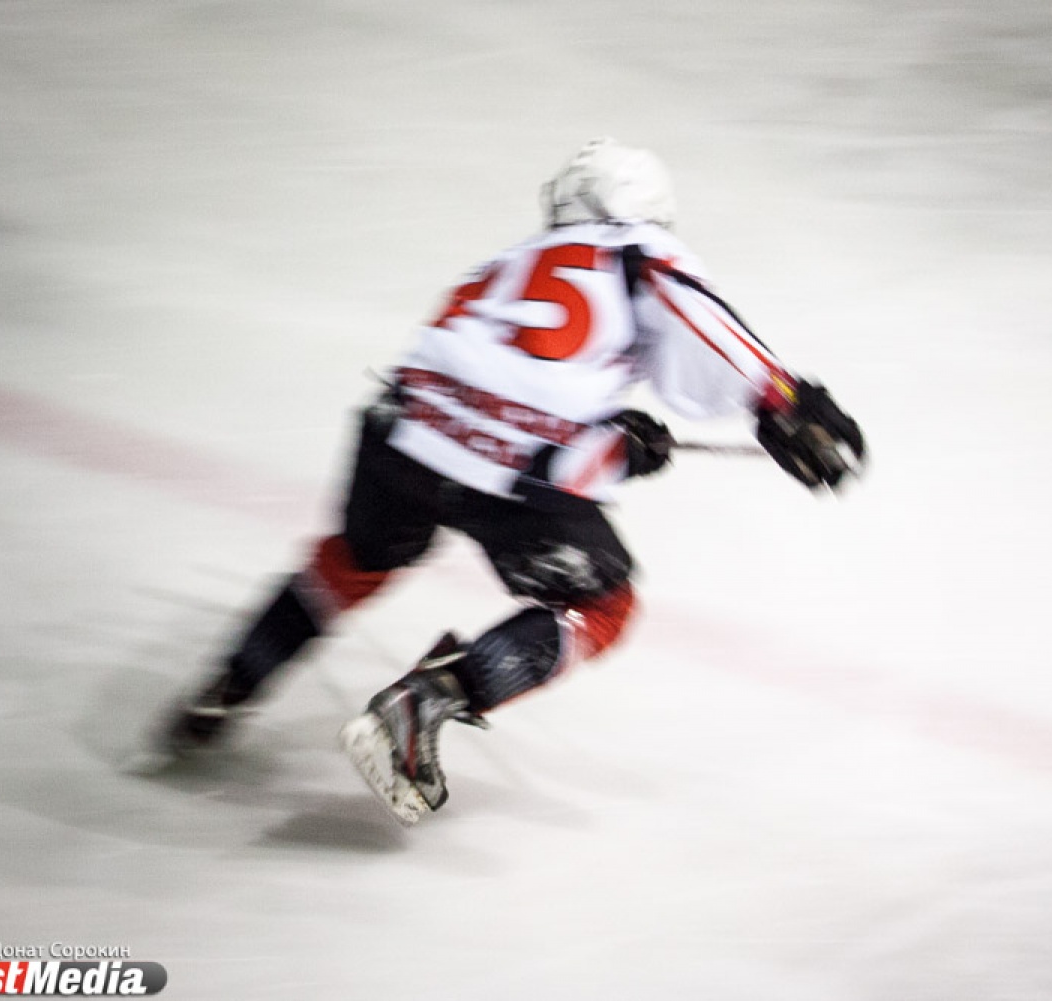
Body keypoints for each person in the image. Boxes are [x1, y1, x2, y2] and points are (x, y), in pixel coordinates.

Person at [163, 138, 867, 825]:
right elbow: (691, 320)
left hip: (399, 430)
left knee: (357, 558)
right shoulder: (636, 248)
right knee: (602, 607)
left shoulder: (511, 261)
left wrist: (614, 445)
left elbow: (488, 382)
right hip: (510, 469)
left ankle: (233, 678)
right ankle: (429, 699)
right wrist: (785, 401)